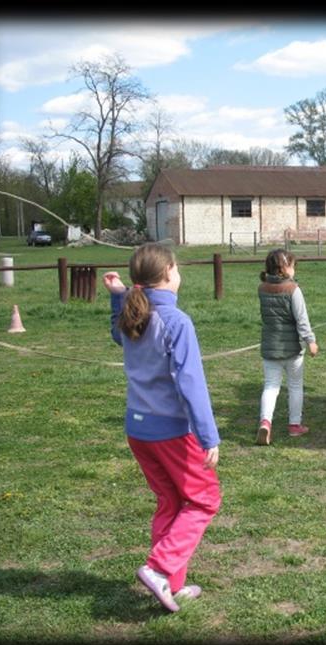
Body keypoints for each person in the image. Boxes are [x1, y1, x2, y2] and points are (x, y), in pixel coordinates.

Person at [103, 243, 221, 613]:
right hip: (172, 432)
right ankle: (158, 569)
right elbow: (191, 384)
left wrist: (118, 298)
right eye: (178, 269)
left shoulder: (132, 313)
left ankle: (172, 584)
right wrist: (208, 436)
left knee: (171, 501)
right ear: (169, 271)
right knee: (204, 500)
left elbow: (117, 333)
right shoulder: (176, 321)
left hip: (138, 430)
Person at [256, 249, 319, 445]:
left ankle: (265, 422)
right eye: (292, 265)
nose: (294, 269)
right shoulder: (293, 289)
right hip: (292, 349)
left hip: (269, 347)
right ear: (284, 268)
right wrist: (311, 341)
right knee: (295, 386)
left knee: (270, 386)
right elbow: (302, 320)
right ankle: (294, 425)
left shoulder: (262, 288)